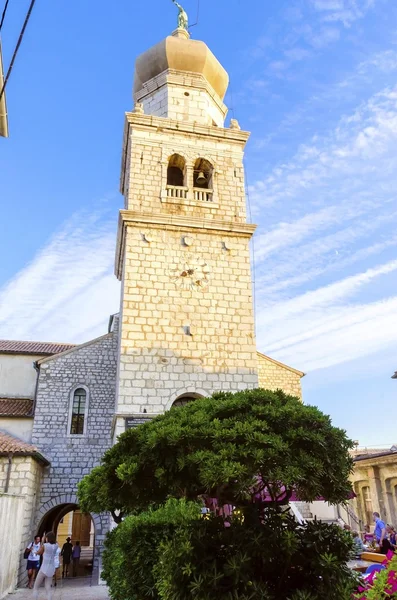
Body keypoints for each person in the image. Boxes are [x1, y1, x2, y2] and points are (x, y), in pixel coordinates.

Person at [32, 531, 58, 600]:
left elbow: (39, 552)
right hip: (51, 569)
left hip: (43, 568)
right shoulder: (56, 546)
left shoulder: (45, 546)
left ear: (48, 538)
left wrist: (42, 542)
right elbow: (54, 544)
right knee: (48, 588)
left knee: (36, 587)